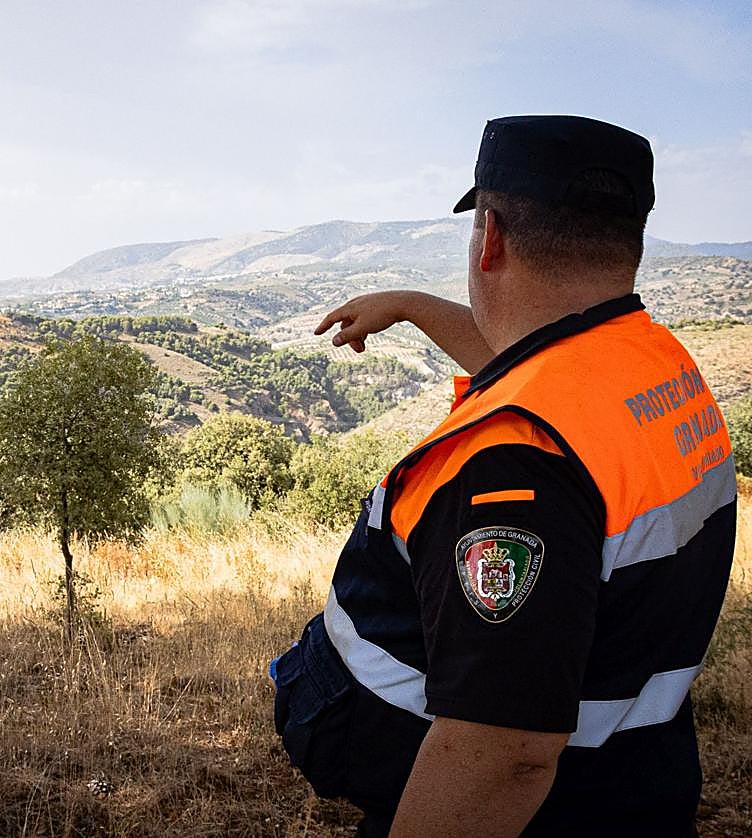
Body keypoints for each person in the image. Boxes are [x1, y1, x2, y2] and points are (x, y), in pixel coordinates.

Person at [272, 116, 736, 836]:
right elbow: (532, 362)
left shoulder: (516, 468)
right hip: (629, 777)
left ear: (490, 237)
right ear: (629, 241)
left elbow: (502, 756)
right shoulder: (649, 363)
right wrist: (410, 305)